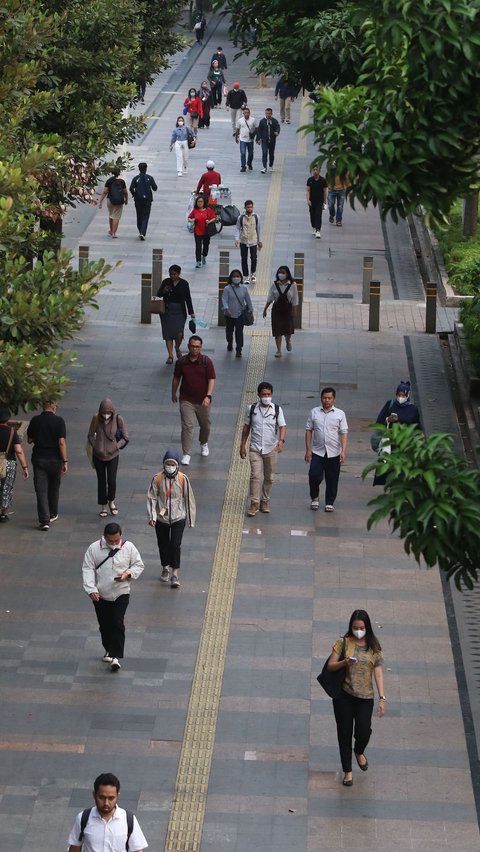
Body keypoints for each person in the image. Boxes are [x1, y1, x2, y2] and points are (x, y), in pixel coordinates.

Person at [326, 610, 386, 787]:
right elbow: (330, 666)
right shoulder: (343, 643)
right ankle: (348, 771)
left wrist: (382, 698)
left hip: (365, 698)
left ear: (367, 627)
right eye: (355, 627)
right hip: (344, 696)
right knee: (344, 733)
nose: (358, 631)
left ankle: (359, 751)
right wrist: (344, 662)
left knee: (364, 730)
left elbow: (379, 673)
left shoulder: (374, 647)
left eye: (361, 627)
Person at [82, 523, 144, 672]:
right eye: (111, 541)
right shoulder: (93, 549)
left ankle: (116, 656)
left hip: (121, 592)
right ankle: (109, 649)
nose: (114, 544)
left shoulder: (129, 547)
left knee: (117, 622)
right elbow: (88, 569)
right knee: (104, 625)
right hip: (101, 594)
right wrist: (91, 589)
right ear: (104, 537)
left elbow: (138, 565)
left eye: (117, 540)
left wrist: (127, 574)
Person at [147, 450, 196, 589]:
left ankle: (175, 573)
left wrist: (190, 519)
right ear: (163, 465)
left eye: (172, 464)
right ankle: (165, 567)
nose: (170, 466)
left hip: (178, 517)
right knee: (163, 544)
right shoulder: (157, 478)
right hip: (161, 519)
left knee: (175, 545)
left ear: (177, 465)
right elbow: (152, 497)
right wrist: (153, 516)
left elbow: (189, 499)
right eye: (167, 464)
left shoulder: (182, 479)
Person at [67, 772, 148, 851]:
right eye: (102, 797)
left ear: (117, 796)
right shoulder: (83, 818)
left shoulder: (128, 820)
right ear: (94, 795)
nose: (106, 803)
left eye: (111, 798)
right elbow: (75, 848)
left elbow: (138, 849)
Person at [239, 382, 287, 516]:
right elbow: (246, 427)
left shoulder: (277, 410)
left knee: (269, 477)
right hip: (255, 448)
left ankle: (264, 500)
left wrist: (281, 441)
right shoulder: (252, 408)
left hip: (271, 448)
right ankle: (254, 503)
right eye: (264, 394)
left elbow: (283, 426)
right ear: (259, 395)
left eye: (269, 394)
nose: (266, 397)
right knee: (255, 475)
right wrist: (242, 445)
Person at [172, 335, 216, 465]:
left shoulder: (206, 362)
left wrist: (208, 396)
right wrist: (173, 393)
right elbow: (176, 378)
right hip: (186, 399)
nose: (194, 349)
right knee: (187, 426)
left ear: (201, 347)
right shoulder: (182, 362)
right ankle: (186, 453)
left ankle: (203, 442)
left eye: (197, 346)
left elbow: (211, 379)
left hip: (203, 400)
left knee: (206, 426)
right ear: (188, 346)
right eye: (192, 346)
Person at [305, 387, 348, 512]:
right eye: (324, 398)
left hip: (334, 452)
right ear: (321, 398)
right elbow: (308, 430)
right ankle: (315, 497)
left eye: (329, 398)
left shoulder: (340, 414)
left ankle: (330, 502)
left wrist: (343, 451)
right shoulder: (314, 412)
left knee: (332, 479)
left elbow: (344, 433)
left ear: (334, 399)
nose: (327, 400)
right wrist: (308, 450)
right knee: (314, 475)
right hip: (317, 451)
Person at [27, 399, 68, 531]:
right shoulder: (59, 421)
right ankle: (52, 513)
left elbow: (29, 440)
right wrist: (65, 461)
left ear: (43, 407)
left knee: (41, 489)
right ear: (54, 407)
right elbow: (61, 442)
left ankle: (44, 521)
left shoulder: (35, 420)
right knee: (54, 487)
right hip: (55, 460)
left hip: (39, 459)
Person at [372, 381, 422, 486]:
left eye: (403, 395)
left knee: (404, 467)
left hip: (406, 444)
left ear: (407, 395)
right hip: (391, 443)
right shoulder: (390, 404)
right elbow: (379, 421)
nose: (400, 397)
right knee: (390, 466)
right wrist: (388, 420)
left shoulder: (413, 409)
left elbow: (416, 426)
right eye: (399, 395)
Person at [87, 399, 128, 518]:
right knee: (101, 481)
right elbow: (90, 434)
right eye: (103, 413)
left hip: (113, 455)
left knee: (112, 480)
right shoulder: (96, 419)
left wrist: (116, 446)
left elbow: (125, 437)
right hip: (98, 456)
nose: (106, 415)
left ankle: (111, 501)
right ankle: (103, 506)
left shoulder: (118, 419)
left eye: (108, 413)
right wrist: (95, 445)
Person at [156, 265, 195, 364]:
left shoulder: (184, 284)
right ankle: (170, 355)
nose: (172, 276)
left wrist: (191, 313)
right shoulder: (166, 282)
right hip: (167, 311)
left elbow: (188, 299)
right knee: (168, 334)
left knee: (179, 333)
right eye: (171, 274)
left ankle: (177, 347)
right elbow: (158, 294)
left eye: (174, 274)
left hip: (180, 312)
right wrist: (164, 291)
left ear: (179, 273)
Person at [263, 265, 299, 357]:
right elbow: (270, 297)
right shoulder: (274, 284)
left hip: (288, 310)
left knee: (288, 330)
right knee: (277, 330)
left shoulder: (293, 285)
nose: (281, 274)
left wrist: (294, 310)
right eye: (279, 272)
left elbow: (295, 298)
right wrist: (265, 309)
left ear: (287, 274)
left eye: (283, 272)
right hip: (277, 310)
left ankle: (288, 341)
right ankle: (278, 350)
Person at [0, 408, 29, 522]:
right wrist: (25, 467)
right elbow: (19, 450)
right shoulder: (11, 432)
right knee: (7, 486)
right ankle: (3, 513)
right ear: (7, 420)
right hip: (9, 462)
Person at [221, 269, 253, 357]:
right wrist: (227, 309)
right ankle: (229, 341)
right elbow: (224, 300)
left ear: (241, 278)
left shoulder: (244, 288)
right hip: (229, 314)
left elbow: (247, 299)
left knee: (239, 332)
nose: (236, 278)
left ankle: (239, 349)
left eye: (238, 276)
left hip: (240, 314)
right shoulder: (227, 288)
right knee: (229, 330)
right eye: (234, 276)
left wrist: (250, 309)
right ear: (231, 278)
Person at [234, 200, 262, 284]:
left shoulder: (256, 217)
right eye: (248, 207)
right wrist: (237, 239)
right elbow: (237, 228)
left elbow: (259, 229)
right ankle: (245, 276)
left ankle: (253, 273)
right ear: (245, 207)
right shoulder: (241, 217)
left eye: (251, 207)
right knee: (244, 259)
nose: (250, 209)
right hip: (243, 241)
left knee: (254, 258)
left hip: (253, 240)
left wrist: (259, 241)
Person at [129, 162, 157, 240]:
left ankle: (140, 230)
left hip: (138, 200)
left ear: (139, 168)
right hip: (147, 200)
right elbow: (155, 188)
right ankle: (142, 232)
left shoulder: (136, 178)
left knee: (139, 215)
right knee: (146, 216)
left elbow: (131, 188)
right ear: (146, 168)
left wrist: (135, 195)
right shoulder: (150, 178)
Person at [187, 195, 216, 268]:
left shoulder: (208, 210)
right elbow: (189, 218)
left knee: (206, 246)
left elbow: (214, 218)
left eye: (201, 202)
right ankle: (198, 261)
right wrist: (192, 220)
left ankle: (204, 256)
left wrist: (209, 221)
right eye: (198, 202)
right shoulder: (195, 210)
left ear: (204, 202)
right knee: (198, 247)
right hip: (197, 231)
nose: (200, 203)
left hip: (206, 232)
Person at [98, 167, 128, 238]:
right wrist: (126, 199)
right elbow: (125, 192)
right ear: (119, 173)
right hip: (119, 201)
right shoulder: (122, 181)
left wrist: (100, 202)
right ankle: (114, 233)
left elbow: (105, 192)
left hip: (110, 200)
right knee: (116, 217)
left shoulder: (109, 181)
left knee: (111, 215)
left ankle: (111, 231)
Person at [256, 108, 280, 173]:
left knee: (271, 154)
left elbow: (277, 127)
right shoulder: (262, 121)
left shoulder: (274, 121)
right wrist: (258, 139)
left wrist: (277, 132)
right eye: (267, 113)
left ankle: (270, 166)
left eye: (269, 113)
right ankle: (264, 167)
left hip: (272, 140)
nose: (268, 115)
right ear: (265, 113)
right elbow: (259, 130)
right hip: (264, 141)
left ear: (271, 114)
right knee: (264, 152)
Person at [306, 164, 327, 238]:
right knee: (312, 215)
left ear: (319, 171)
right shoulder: (310, 180)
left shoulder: (323, 180)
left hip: (320, 201)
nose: (315, 171)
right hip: (312, 201)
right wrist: (308, 200)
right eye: (314, 170)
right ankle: (314, 227)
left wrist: (325, 201)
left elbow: (324, 191)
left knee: (318, 214)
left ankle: (318, 230)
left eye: (316, 170)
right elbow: (308, 190)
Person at [235, 107, 257, 172]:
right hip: (242, 139)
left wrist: (256, 136)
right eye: (245, 113)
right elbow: (237, 129)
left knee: (251, 153)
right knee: (243, 153)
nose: (246, 114)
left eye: (248, 112)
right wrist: (236, 137)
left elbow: (257, 128)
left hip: (250, 140)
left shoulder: (253, 120)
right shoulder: (240, 120)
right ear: (243, 113)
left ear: (249, 113)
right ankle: (243, 166)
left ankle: (249, 163)